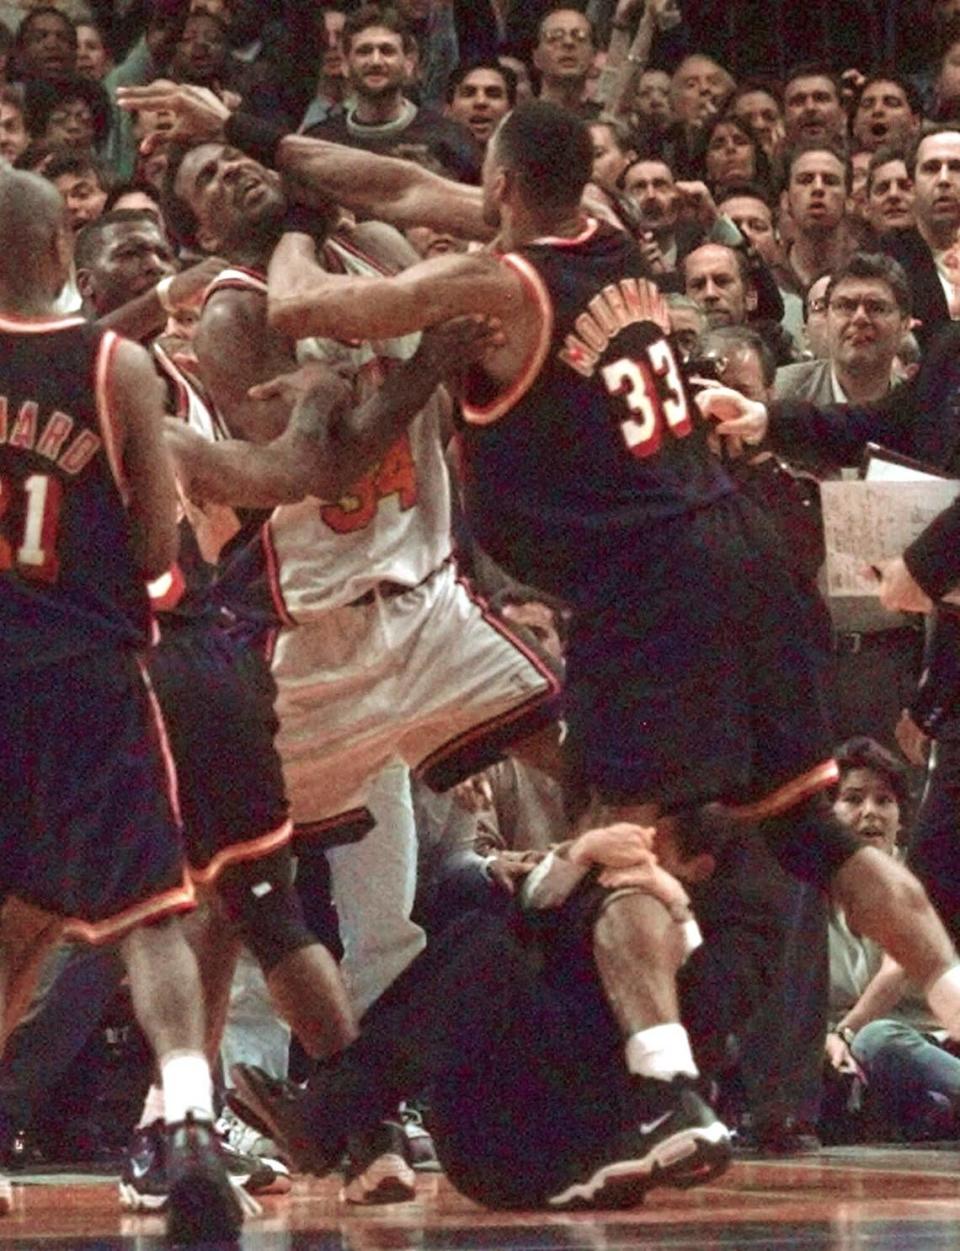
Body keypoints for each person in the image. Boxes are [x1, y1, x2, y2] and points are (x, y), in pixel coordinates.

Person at [122, 86, 960, 1125]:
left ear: (505, 183)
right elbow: (396, 182)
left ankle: (665, 1089)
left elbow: (310, 324)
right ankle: (948, 999)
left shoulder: (490, 284)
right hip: (725, 549)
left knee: (610, 843)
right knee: (811, 835)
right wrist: (255, 131)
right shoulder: (595, 224)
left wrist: (296, 217)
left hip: (627, 588)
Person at [0, 166, 242, 1244]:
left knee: (10, 926)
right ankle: (188, 1120)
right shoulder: (117, 364)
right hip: (87, 674)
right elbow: (157, 547)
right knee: (152, 913)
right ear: (63, 253)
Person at [231, 820, 732, 1210]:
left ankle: (333, 1113)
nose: (634, 854)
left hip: (587, 1135)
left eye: (652, 849)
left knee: (504, 946)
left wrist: (676, 913)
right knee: (484, 939)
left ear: (699, 868)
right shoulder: (606, 871)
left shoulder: (738, 909)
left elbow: (715, 1023)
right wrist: (574, 859)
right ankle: (341, 1112)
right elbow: (530, 925)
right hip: (499, 1135)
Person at [303, 6, 480, 184]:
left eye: (387, 51)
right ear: (346, 64)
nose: (376, 61)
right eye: (364, 51)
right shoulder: (319, 140)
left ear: (409, 63)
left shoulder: (451, 138)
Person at [774, 252, 912, 410]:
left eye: (876, 308)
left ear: (905, 325)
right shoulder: (780, 393)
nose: (859, 318)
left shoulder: (922, 407)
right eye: (846, 306)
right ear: (826, 318)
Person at [532, 4, 599, 118]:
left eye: (580, 37)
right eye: (554, 37)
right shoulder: (520, 123)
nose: (568, 42)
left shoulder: (603, 121)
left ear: (593, 55)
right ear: (536, 57)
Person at [444, 59, 515, 151]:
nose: (480, 102)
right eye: (468, 94)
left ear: (512, 109)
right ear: (448, 110)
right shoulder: (426, 162)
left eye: (493, 94)